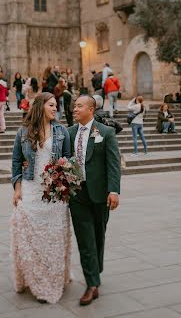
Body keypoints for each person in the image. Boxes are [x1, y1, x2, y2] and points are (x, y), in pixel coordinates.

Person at [11, 93, 71, 304]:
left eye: (56, 105)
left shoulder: (62, 131)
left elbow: (68, 161)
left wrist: (64, 183)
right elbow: (17, 161)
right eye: (52, 105)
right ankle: (34, 278)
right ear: (40, 106)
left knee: (52, 239)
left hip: (54, 194)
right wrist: (17, 189)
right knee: (30, 237)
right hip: (30, 189)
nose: (56, 109)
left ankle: (52, 279)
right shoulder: (23, 132)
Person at [68, 95, 121, 306]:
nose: (75, 109)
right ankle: (92, 284)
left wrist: (114, 191)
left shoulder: (105, 132)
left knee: (99, 236)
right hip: (77, 195)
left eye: (79, 105)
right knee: (85, 239)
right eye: (74, 105)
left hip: (100, 195)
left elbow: (113, 164)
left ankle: (95, 271)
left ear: (91, 109)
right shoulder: (69, 132)